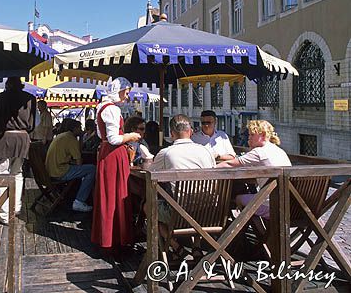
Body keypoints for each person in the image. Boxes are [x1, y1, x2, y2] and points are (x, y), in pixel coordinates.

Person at [148, 114, 216, 257]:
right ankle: (196, 246)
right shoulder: (206, 151)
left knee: (147, 207)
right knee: (199, 199)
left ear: (172, 134)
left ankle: (175, 246)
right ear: (190, 131)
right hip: (208, 213)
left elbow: (150, 174)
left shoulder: (166, 153)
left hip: (178, 214)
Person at [91, 77, 141, 253]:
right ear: (119, 90)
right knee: (116, 194)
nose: (127, 97)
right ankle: (116, 239)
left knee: (108, 195)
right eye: (126, 93)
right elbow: (114, 139)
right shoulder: (111, 109)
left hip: (107, 153)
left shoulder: (102, 107)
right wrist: (131, 136)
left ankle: (108, 237)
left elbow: (102, 135)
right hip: (114, 154)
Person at [0, 77, 36, 225]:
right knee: (17, 173)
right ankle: (15, 208)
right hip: (23, 138)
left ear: (7, 85)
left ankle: (4, 215)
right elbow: (36, 122)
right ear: (21, 86)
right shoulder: (31, 99)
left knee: (2, 174)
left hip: (5, 137)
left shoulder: (0, 97)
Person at [217, 120, 292, 218]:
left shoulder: (259, 152)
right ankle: (263, 231)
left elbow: (230, 164)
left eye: (252, 135)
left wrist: (209, 168)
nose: (249, 138)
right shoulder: (279, 150)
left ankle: (246, 229)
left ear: (263, 135)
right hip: (289, 203)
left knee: (239, 198)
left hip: (271, 205)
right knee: (253, 196)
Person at [45, 120, 96, 212]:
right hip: (60, 171)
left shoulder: (63, 136)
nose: (81, 130)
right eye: (80, 128)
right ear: (75, 128)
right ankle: (79, 201)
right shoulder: (71, 139)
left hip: (51, 170)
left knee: (86, 169)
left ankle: (76, 193)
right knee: (92, 169)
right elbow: (79, 161)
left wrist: (80, 137)